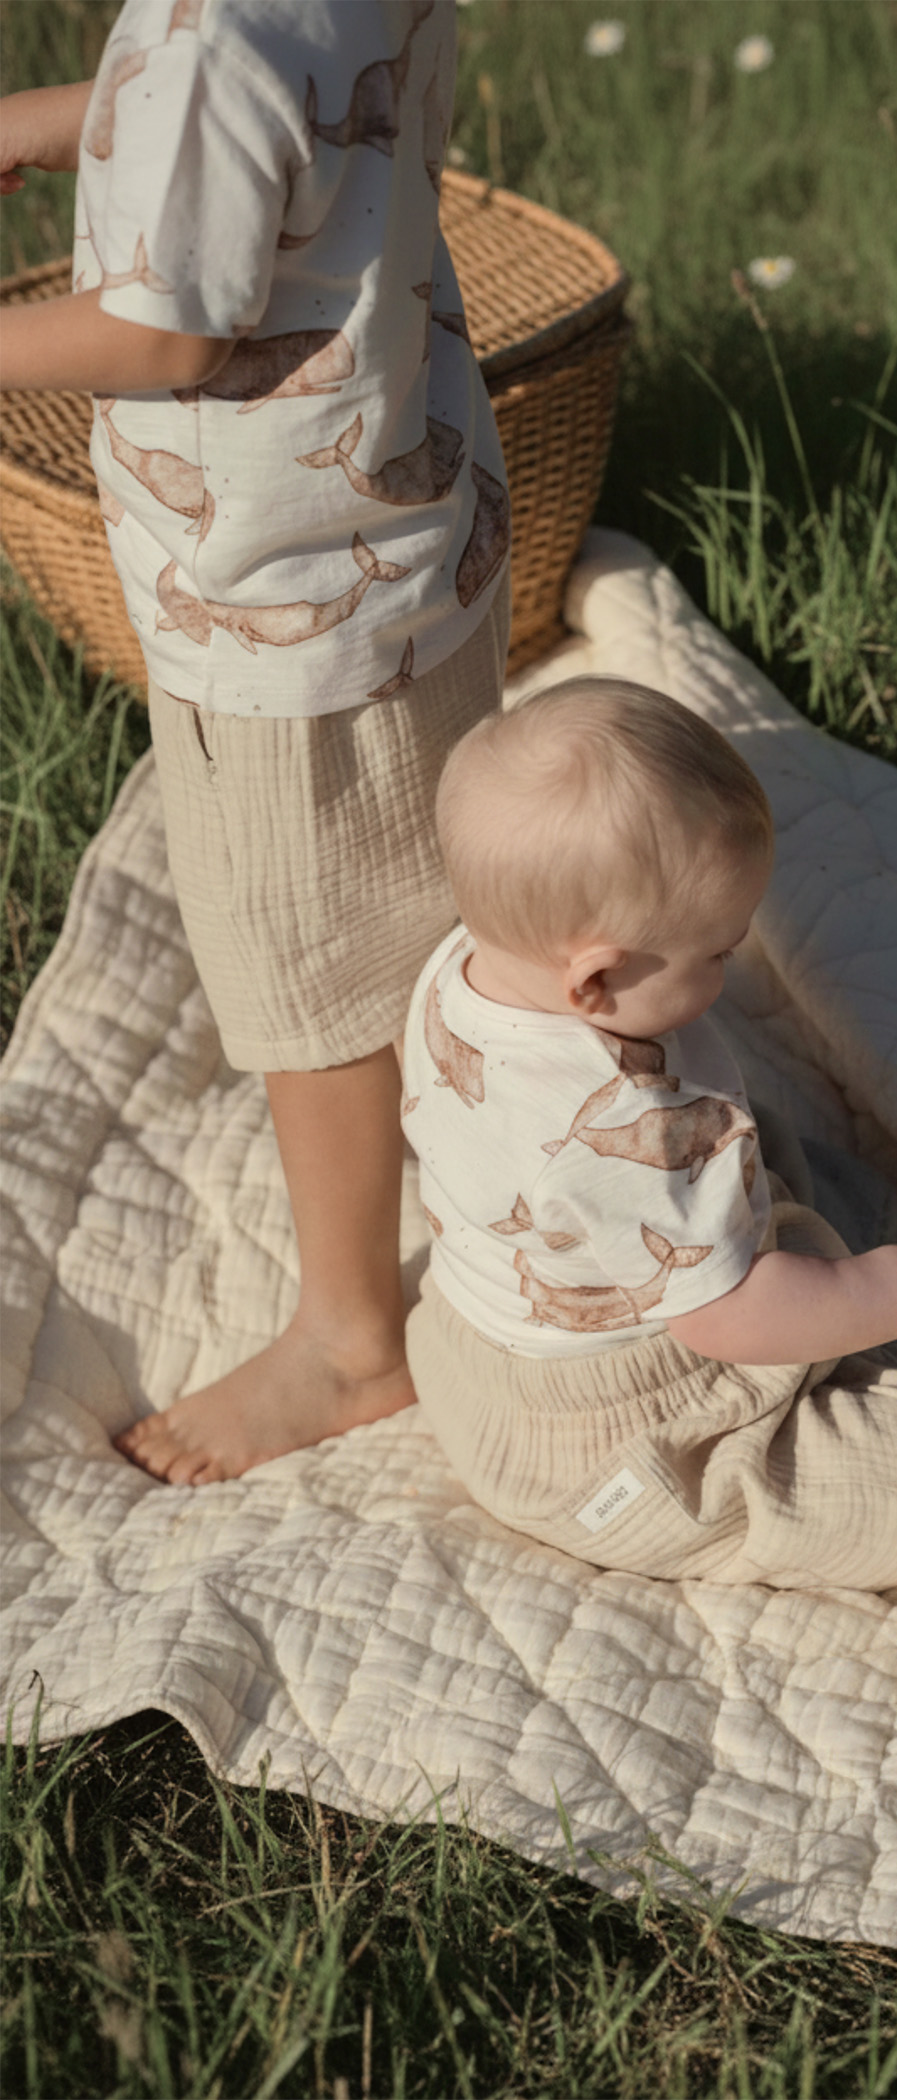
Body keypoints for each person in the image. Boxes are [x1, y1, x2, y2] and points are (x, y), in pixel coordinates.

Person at [0, 0, 511, 1487]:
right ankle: (491, 1103)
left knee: (311, 973)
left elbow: (162, 330)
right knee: (417, 879)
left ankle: (354, 1336)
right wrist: (75, 113)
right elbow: (310, 115)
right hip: (417, 518)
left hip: (274, 600)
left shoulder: (209, 26)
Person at [401, 679, 897, 1589]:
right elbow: (730, 1316)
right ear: (592, 984)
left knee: (786, 1160)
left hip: (500, 1319)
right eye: (715, 952)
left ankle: (858, 1290)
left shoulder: (463, 968)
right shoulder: (638, 1131)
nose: (734, 959)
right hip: (615, 1422)